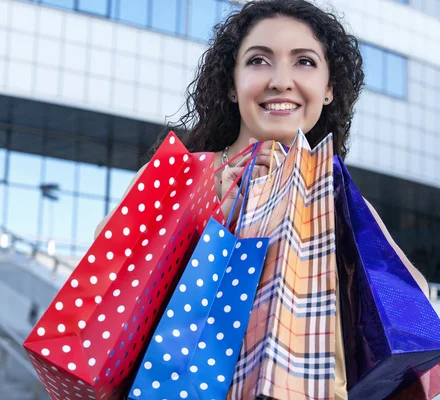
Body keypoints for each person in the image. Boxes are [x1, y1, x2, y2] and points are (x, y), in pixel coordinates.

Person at [95, 0, 429, 397]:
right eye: (258, 61)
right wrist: (211, 202)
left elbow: (413, 309)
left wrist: (339, 234)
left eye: (304, 62)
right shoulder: (181, 175)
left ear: (328, 90)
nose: (281, 81)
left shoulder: (337, 197)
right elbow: (105, 281)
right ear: (232, 87)